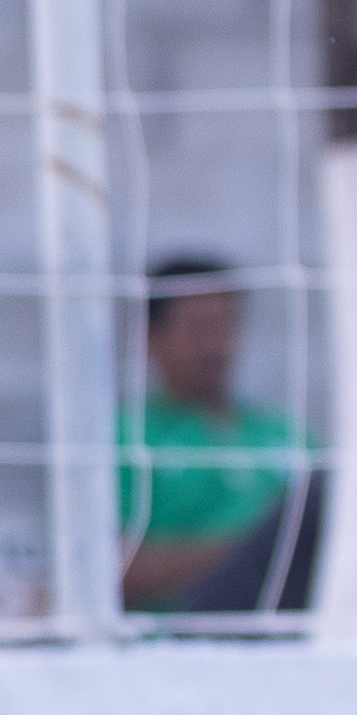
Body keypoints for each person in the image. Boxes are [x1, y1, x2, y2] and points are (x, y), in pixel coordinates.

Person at [119, 250, 318, 613]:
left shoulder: (285, 432)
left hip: (294, 628)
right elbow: (103, 569)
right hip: (186, 628)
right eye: (198, 329)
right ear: (151, 338)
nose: (216, 345)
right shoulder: (123, 435)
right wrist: (253, 552)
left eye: (226, 326)